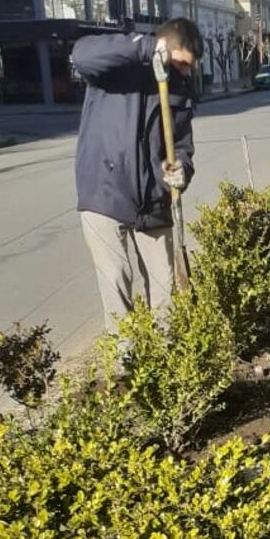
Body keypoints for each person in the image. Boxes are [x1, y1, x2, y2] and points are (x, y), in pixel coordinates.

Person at [71, 18, 203, 336]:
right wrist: (144, 49)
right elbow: (81, 55)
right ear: (164, 47)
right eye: (182, 63)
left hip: (154, 198)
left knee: (164, 286)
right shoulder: (120, 67)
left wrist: (181, 170)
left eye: (191, 66)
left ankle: (168, 360)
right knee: (116, 282)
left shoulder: (181, 88)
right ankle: (125, 369)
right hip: (105, 190)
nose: (185, 71)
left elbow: (183, 144)